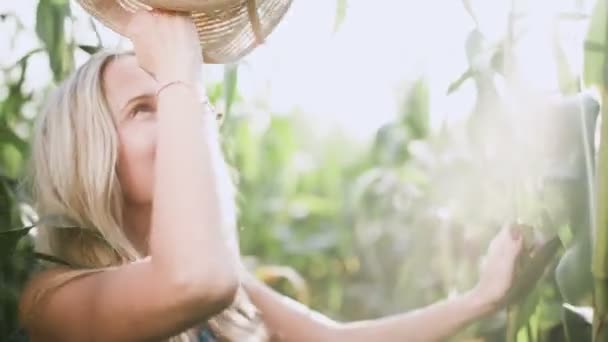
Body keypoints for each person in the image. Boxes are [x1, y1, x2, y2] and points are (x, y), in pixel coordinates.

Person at [18, 10, 524, 342]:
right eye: (145, 108)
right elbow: (192, 280)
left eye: (174, 98)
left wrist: (482, 298)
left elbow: (334, 341)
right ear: (86, 151)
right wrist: (180, 74)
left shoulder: (230, 284)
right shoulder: (52, 301)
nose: (179, 113)